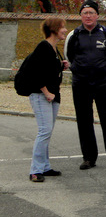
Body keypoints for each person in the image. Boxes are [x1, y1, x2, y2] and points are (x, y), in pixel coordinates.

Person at [64, 0, 106, 171]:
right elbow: (69, 56)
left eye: (91, 12)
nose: (88, 16)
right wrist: (79, 71)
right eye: (85, 13)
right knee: (84, 121)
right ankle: (88, 158)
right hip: (81, 83)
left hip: (103, 83)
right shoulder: (74, 34)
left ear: (97, 15)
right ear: (80, 16)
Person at [28, 18, 69, 182]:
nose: (65, 30)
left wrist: (61, 66)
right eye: (62, 27)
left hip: (52, 95)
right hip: (41, 96)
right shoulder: (43, 47)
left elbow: (48, 70)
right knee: (44, 131)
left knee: (47, 131)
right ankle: (35, 170)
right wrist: (46, 92)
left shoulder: (52, 48)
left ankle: (44, 167)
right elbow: (35, 73)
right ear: (54, 29)